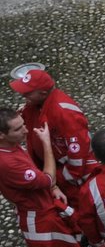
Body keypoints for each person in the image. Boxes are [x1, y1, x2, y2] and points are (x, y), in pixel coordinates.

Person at [0, 107, 100, 247]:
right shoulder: (9, 163)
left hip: (41, 207)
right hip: (39, 216)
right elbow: (47, 178)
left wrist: (53, 189)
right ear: (2, 135)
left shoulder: (8, 147)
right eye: (18, 129)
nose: (26, 131)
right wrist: (46, 142)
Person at [11, 65, 96, 206]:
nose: (23, 96)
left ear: (43, 93)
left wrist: (63, 179)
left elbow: (78, 152)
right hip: (52, 169)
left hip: (67, 177)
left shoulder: (65, 113)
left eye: (28, 93)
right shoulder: (34, 105)